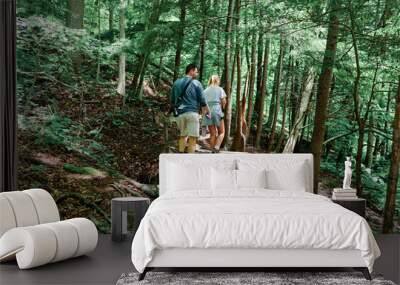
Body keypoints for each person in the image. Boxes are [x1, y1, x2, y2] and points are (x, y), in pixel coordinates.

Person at [170, 63, 210, 153]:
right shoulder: (196, 83)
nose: (197, 74)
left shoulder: (176, 83)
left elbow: (172, 100)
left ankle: (180, 156)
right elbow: (202, 100)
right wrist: (207, 112)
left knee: (183, 135)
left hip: (179, 114)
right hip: (192, 113)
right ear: (191, 70)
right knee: (193, 137)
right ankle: (189, 159)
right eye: (196, 72)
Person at [202, 75, 226, 153]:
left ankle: (212, 151)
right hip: (217, 111)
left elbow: (203, 104)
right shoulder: (220, 89)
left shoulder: (205, 90)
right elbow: (224, 101)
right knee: (222, 132)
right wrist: (222, 107)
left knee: (212, 134)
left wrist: (203, 114)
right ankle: (216, 147)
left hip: (208, 112)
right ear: (217, 80)